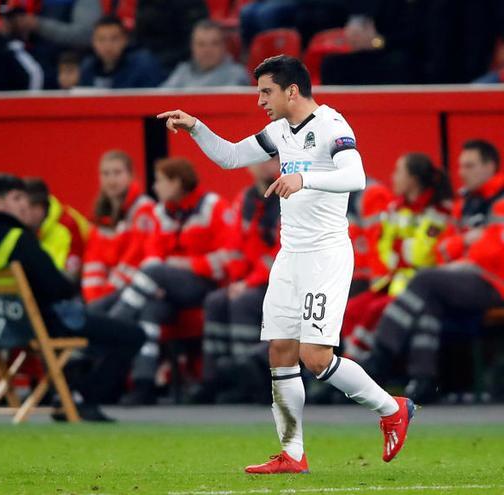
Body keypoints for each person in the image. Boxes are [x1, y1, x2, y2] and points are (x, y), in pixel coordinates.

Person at [157, 55, 414, 474]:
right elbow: (230, 157)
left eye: (266, 91)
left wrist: (304, 178)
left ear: (291, 90)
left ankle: (393, 408)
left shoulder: (332, 126)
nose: (260, 100)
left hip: (325, 256)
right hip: (290, 256)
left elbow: (357, 177)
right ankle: (292, 453)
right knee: (279, 350)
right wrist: (196, 128)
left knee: (314, 357)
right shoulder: (279, 131)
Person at [0, 174, 145, 421]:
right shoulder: (18, 239)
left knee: (96, 329)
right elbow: (59, 287)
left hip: (0, 329)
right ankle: (80, 397)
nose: (25, 204)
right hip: (42, 326)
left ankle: (65, 394)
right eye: (17, 198)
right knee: (132, 334)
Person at [367, 140, 504, 403]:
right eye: (461, 165)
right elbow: (442, 249)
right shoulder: (465, 203)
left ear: (490, 166)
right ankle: (424, 381)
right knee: (428, 304)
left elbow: (494, 252)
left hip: (494, 283)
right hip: (465, 279)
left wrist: (469, 248)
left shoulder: (500, 200)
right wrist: (466, 242)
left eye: (470, 165)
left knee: (426, 279)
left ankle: (381, 356)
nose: (462, 172)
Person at [106, 157, 240, 406]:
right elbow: (152, 254)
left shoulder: (213, 207)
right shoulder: (160, 212)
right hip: (165, 289)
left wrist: (187, 265)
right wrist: (163, 278)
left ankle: (114, 323)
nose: (155, 187)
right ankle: (144, 383)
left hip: (205, 285)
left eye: (159, 181)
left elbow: (227, 258)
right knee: (150, 311)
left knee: (155, 273)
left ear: (177, 183)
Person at [339, 153, 453, 364]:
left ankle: (357, 367)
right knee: (352, 309)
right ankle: (349, 368)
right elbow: (386, 251)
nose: (393, 177)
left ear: (413, 179)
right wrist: (401, 252)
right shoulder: (395, 209)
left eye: (399, 171)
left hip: (419, 286)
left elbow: (423, 256)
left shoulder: (438, 211)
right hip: (394, 283)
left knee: (374, 310)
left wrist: (400, 250)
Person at [192, 159, 281, 404]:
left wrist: (247, 283)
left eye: (272, 159)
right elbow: (234, 247)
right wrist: (237, 280)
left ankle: (250, 381)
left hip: (281, 282)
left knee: (242, 302)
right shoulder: (245, 200)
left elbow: (282, 253)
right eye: (259, 160)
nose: (265, 165)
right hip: (249, 281)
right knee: (215, 301)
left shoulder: (289, 196)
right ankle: (215, 378)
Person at [82, 150, 156, 306]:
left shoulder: (144, 209)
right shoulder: (99, 216)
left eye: (117, 172)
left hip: (135, 290)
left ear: (130, 175)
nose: (111, 179)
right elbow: (93, 263)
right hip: (106, 295)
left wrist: (104, 297)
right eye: (105, 174)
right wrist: (94, 297)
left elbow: (135, 257)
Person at [23, 178, 90, 281]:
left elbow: (72, 276)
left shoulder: (68, 225)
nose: (26, 213)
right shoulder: (24, 228)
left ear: (42, 207)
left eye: (32, 207)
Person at [78, 16, 164, 89]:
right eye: (101, 39)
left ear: (125, 40)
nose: (108, 45)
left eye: (114, 39)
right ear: (93, 42)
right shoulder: (87, 67)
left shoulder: (143, 65)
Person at [161, 20, 250, 89]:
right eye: (201, 44)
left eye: (214, 43)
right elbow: (160, 100)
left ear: (224, 46)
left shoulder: (236, 74)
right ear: (192, 47)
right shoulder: (183, 71)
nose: (207, 50)